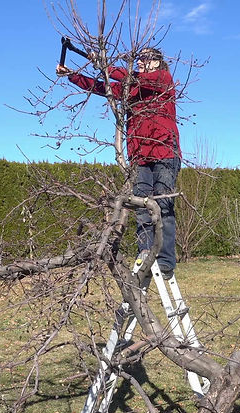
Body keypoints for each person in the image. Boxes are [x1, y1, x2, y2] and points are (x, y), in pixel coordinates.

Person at [56, 47, 181, 278]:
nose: (142, 62)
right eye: (140, 58)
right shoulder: (131, 88)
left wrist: (101, 63)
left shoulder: (163, 78)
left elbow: (125, 76)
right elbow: (102, 87)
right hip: (139, 156)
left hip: (164, 151)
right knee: (141, 206)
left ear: (158, 62)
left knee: (163, 206)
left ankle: (165, 262)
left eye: (147, 58)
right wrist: (72, 75)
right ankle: (145, 252)